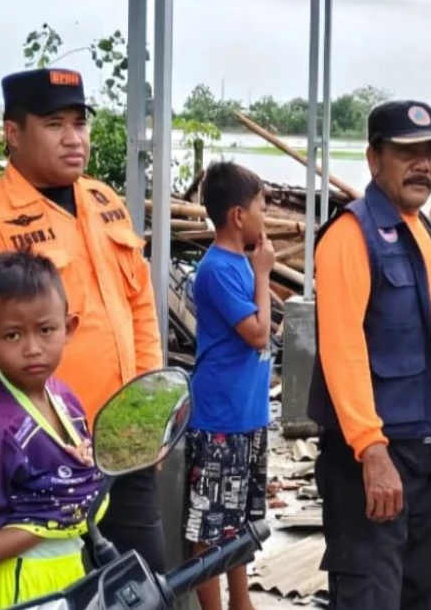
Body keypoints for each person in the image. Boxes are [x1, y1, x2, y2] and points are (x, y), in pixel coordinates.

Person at [0, 68, 168, 572]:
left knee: (144, 589)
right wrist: (6, 476)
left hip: (125, 449)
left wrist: (151, 416)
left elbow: (140, 309)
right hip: (46, 471)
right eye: (54, 124)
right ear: (13, 134)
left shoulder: (104, 203)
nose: (74, 138)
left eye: (80, 123)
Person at [308, 99, 431, 610]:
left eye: (430, 153)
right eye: (408, 152)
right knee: (368, 596)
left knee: (417, 594)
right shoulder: (349, 237)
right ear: (374, 158)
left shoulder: (428, 236)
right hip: (371, 462)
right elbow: (343, 352)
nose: (423, 164)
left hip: (424, 461)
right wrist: (371, 450)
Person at [0, 250, 107, 610]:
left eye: (46, 330)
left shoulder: (64, 397)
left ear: (68, 329)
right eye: (12, 335)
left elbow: (68, 493)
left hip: (67, 579)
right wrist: (48, 519)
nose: (33, 349)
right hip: (17, 589)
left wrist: (84, 467)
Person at [182, 160, 274, 610]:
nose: (266, 216)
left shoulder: (242, 263)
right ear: (238, 215)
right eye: (261, 207)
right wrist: (264, 274)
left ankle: (243, 602)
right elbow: (257, 332)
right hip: (220, 419)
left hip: (248, 416)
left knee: (237, 519)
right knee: (209, 524)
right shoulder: (218, 269)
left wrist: (258, 272)